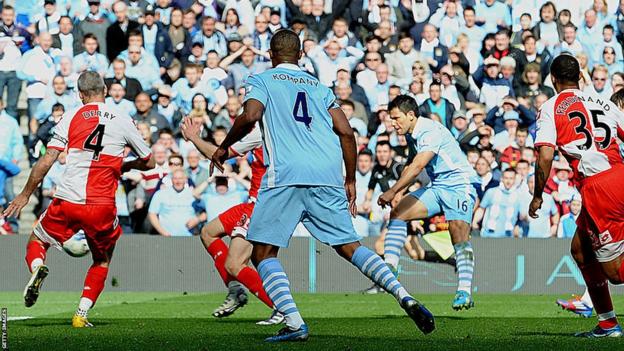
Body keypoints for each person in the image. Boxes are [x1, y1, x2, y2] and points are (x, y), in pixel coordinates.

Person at [209, 29, 434, 342]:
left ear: (271, 56)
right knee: (350, 246)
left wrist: (223, 146)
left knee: (261, 253)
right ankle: (403, 295)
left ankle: (294, 322)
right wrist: (351, 179)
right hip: (327, 174)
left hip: (287, 174)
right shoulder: (318, 86)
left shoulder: (261, 80)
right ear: (300, 55)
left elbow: (251, 115)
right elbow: (345, 131)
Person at [3, 71, 154, 328]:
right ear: (105, 90)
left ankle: (38, 266)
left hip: (68, 198)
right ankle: (80, 314)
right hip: (102, 204)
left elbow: (48, 159)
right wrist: (124, 166)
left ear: (80, 94)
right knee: (102, 259)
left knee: (38, 239)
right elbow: (149, 161)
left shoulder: (71, 116)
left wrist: (25, 194)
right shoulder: (123, 118)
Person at [529, 54, 624, 337]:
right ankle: (608, 324)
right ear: (581, 76)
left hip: (599, 188)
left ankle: (609, 324)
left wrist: (537, 194)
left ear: (552, 79)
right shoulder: (604, 102)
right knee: (580, 250)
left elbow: (545, 154)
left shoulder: (551, 106)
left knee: (616, 274)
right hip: (618, 174)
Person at [377, 95, 479, 311]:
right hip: (439, 185)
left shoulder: (429, 130)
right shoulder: (413, 133)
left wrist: (393, 190)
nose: (393, 123)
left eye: (396, 118)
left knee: (458, 234)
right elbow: (410, 163)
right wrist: (399, 192)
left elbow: (418, 166)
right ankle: (390, 267)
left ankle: (464, 290)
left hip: (461, 183)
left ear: (411, 115)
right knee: (398, 212)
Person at [181, 119, 281, 325]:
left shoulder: (262, 131)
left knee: (235, 264)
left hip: (260, 204)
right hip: (255, 201)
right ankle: (235, 289)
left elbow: (218, 154)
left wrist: (193, 138)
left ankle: (281, 307)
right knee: (208, 232)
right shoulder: (283, 129)